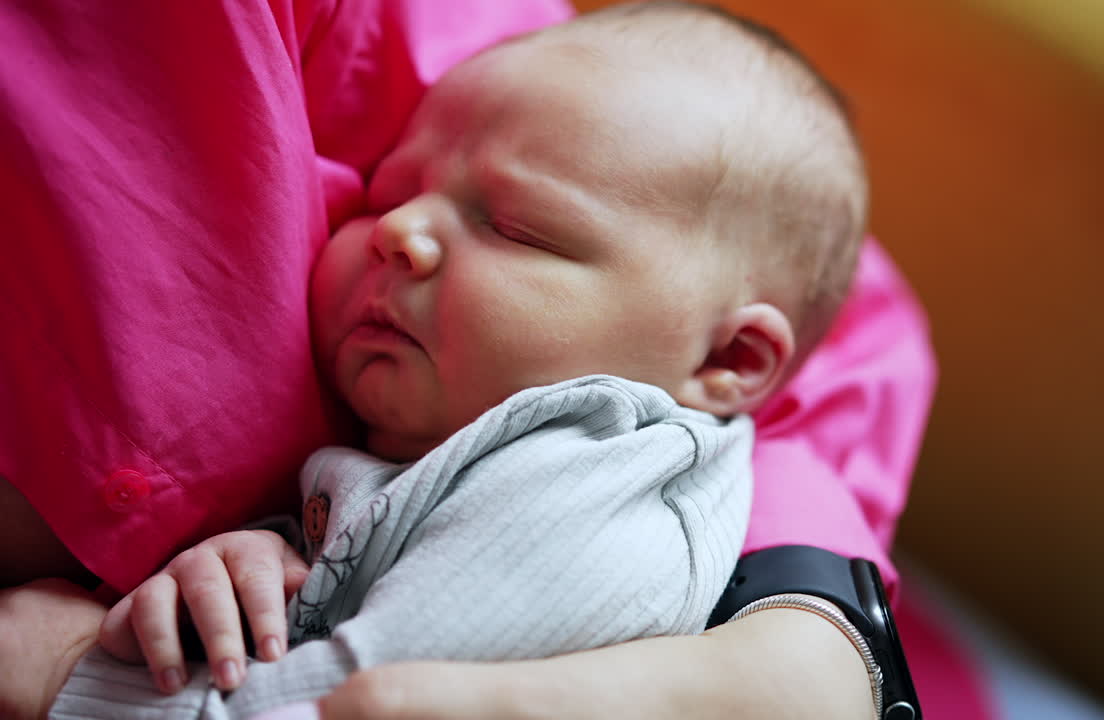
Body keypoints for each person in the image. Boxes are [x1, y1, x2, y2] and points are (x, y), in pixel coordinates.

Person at [0, 1, 933, 719]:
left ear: (729, 355)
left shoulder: (580, 493)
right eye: (383, 192)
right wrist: (259, 565)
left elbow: (355, 701)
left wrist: (78, 683)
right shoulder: (462, 452)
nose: (395, 231)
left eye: (516, 228)